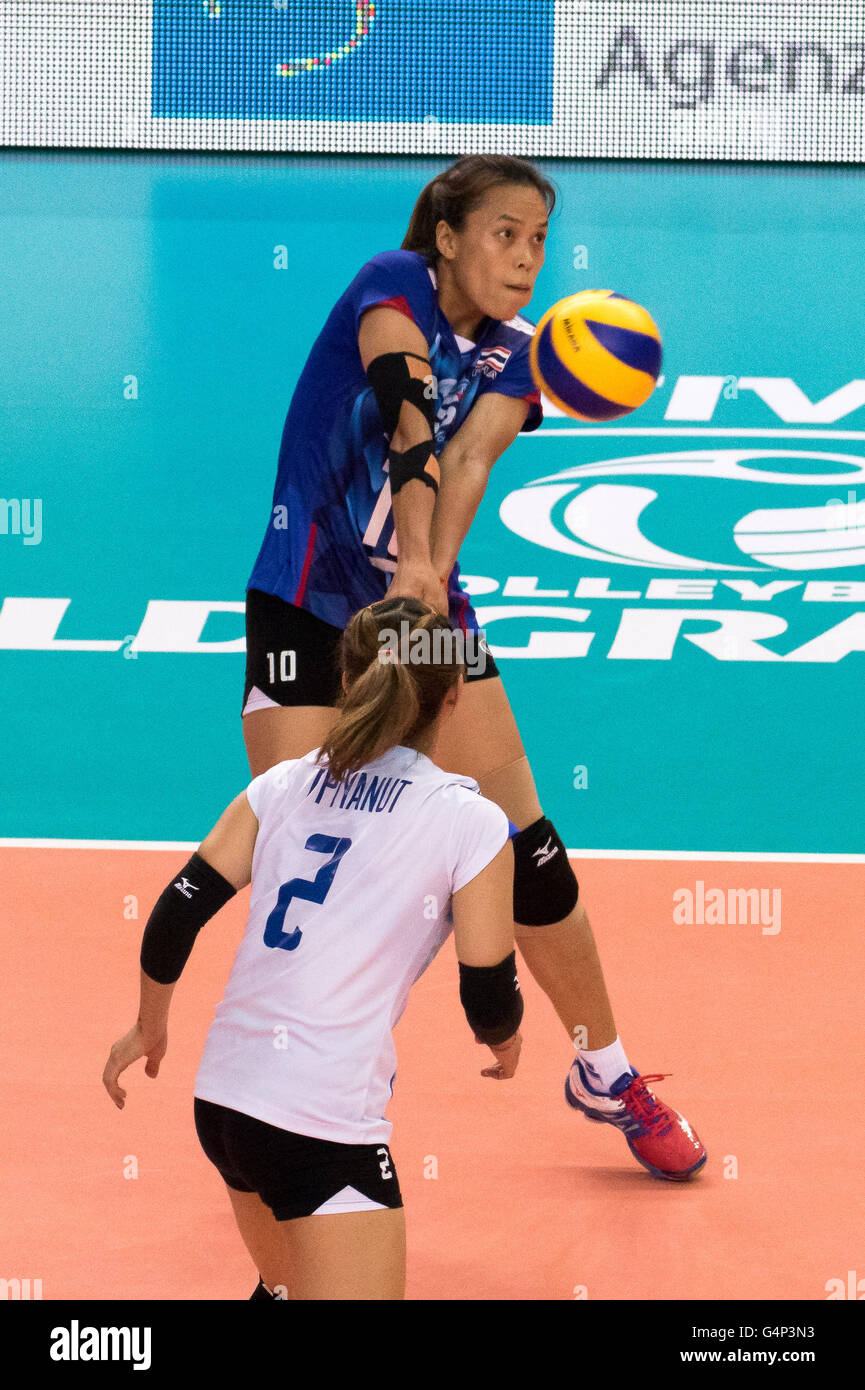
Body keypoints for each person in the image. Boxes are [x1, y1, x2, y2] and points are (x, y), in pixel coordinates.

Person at [238, 152, 706, 1183]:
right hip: (306, 602)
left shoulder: (518, 354)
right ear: (447, 237)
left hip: (416, 610)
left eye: (539, 239)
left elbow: (471, 458)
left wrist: (428, 579)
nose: (527, 258)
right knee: (304, 852)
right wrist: (404, 562)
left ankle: (606, 1070)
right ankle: (296, 1115)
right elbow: (409, 416)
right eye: (505, 233)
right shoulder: (387, 284)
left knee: (525, 846)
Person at [103, 597, 524, 1301]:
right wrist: (504, 1040)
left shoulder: (284, 783)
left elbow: (176, 912)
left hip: (225, 1102)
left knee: (285, 1289)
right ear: (453, 697)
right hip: (321, 1123)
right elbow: (485, 987)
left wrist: (150, 1025)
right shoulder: (471, 822)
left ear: (346, 679)